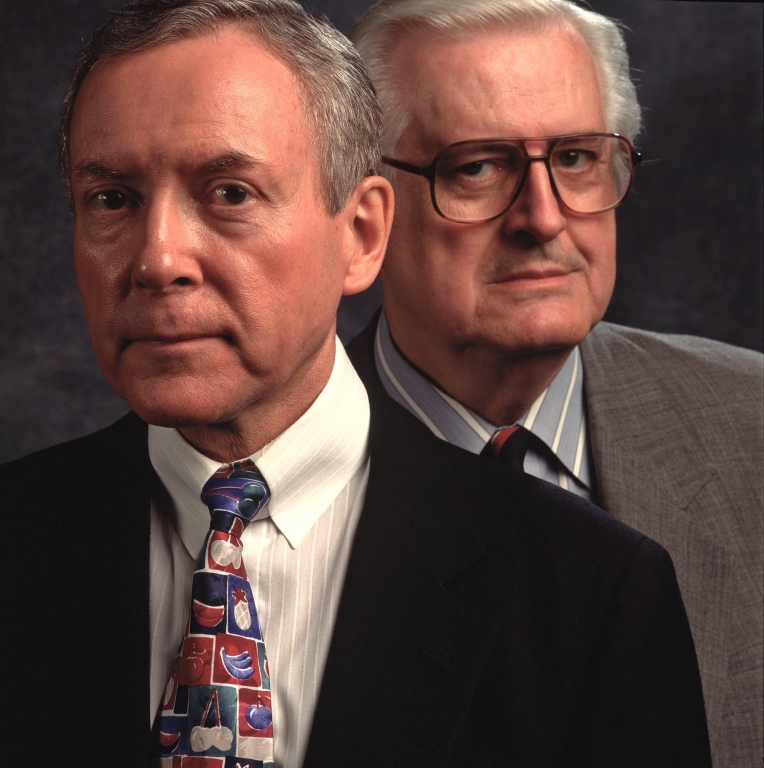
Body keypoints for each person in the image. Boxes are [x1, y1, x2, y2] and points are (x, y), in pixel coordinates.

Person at [0, 0, 711, 766]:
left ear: (364, 234)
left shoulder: (592, 590)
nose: (158, 258)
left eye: (230, 193)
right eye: (113, 199)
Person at [348, 0, 763, 764]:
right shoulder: (254, 475)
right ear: (364, 208)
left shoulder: (752, 429)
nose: (542, 217)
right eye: (476, 165)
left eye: (575, 158)